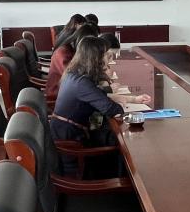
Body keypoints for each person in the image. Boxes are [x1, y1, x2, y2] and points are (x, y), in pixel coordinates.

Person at [50, 37, 150, 176]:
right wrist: (119, 105)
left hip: (67, 131)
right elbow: (112, 109)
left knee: (111, 132)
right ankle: (123, 181)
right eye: (106, 55)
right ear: (95, 58)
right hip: (71, 139)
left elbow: (100, 95)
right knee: (121, 140)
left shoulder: (74, 74)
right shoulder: (82, 83)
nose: (108, 60)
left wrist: (133, 99)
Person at [45, 23, 97, 100]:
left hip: (66, 90)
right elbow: (74, 78)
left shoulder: (70, 48)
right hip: (57, 94)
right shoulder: (63, 52)